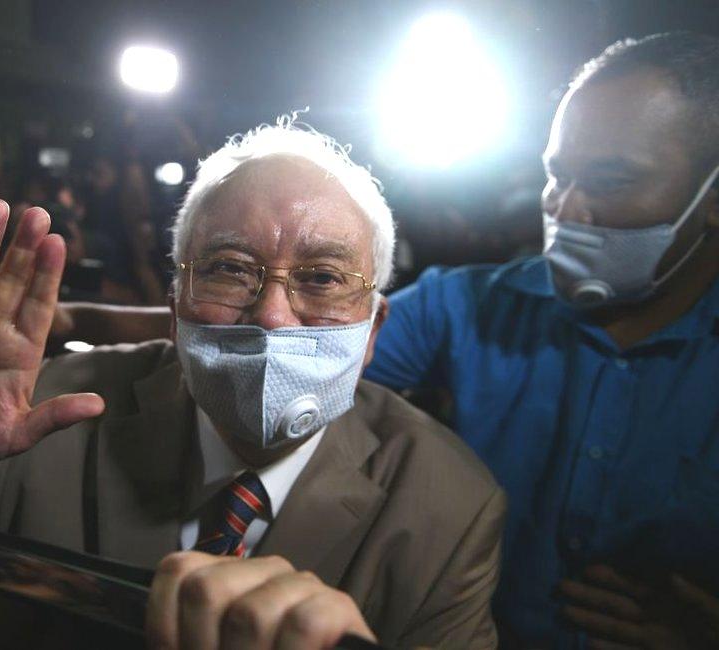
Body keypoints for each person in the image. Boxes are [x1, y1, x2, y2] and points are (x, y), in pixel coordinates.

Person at [49, 32, 719, 648]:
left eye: (611, 181)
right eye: (555, 174)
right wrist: (76, 321)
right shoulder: (467, 305)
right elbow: (284, 343)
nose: (567, 208)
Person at [0, 121, 506, 649]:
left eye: (323, 278)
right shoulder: (39, 411)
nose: (270, 314)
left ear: (375, 327)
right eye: (231, 268)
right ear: (174, 305)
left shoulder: (447, 506)